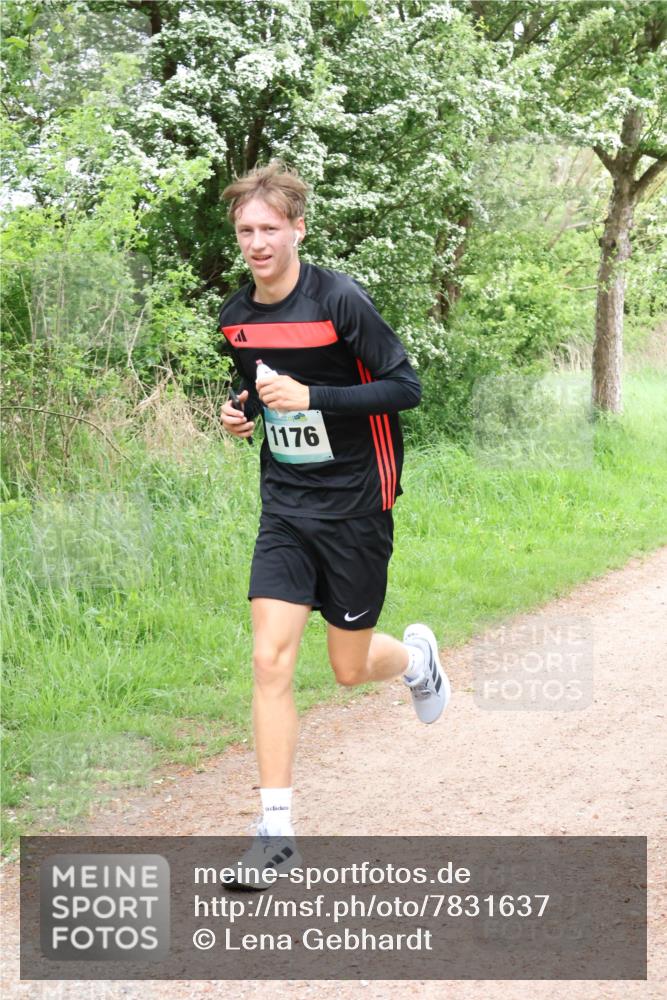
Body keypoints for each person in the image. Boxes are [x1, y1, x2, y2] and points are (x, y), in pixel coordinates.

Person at [218, 162, 450, 885]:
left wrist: (312, 396)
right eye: (245, 231)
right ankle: (276, 833)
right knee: (269, 660)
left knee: (347, 669)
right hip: (285, 504)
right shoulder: (236, 312)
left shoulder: (340, 299)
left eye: (268, 229)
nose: (256, 243)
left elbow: (404, 388)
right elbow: (254, 382)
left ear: (297, 230)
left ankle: (415, 664)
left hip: (356, 502)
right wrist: (240, 411)